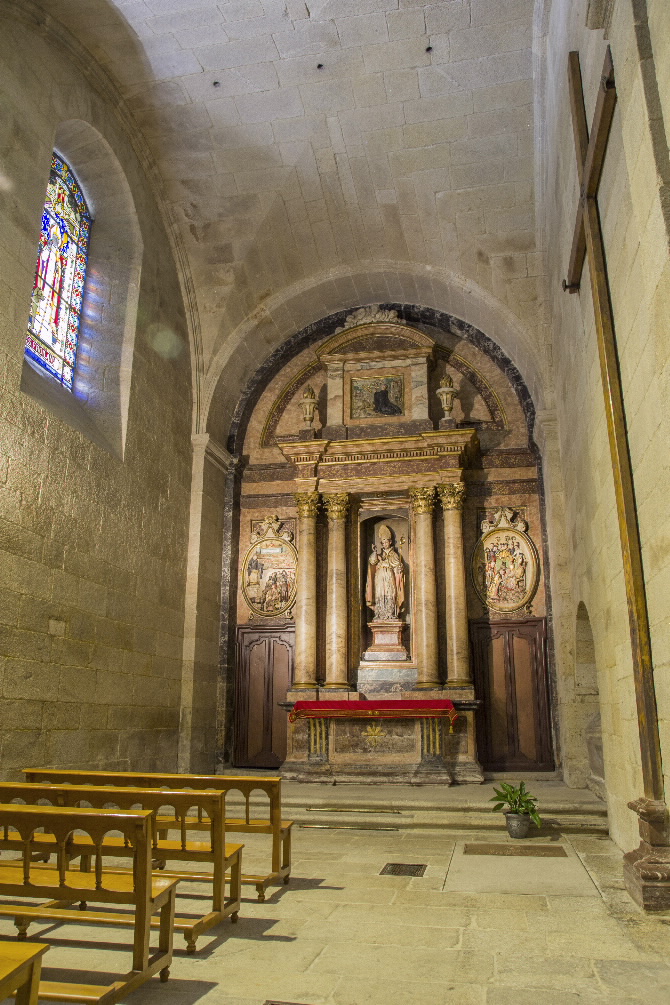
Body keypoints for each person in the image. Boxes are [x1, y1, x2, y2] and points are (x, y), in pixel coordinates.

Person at [365, 524, 405, 620]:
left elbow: (397, 567)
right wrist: (374, 552)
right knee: (379, 594)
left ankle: (390, 613)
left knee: (389, 594)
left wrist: (399, 569)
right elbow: (372, 561)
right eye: (383, 543)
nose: (385, 544)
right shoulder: (379, 555)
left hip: (388, 578)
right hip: (379, 578)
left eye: (386, 542)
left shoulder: (394, 555)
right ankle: (380, 614)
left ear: (390, 542)